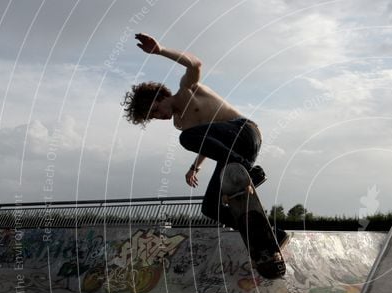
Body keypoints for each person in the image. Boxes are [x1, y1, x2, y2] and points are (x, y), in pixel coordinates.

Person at [122, 32, 286, 247]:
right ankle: (271, 234)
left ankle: (248, 171)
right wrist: (195, 168)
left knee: (186, 137)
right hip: (231, 154)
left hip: (244, 133)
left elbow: (195, 64)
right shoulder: (180, 123)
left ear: (160, 96)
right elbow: (208, 143)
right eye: (153, 117)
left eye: (155, 110)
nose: (159, 117)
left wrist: (160, 51)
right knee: (210, 207)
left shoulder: (186, 89)